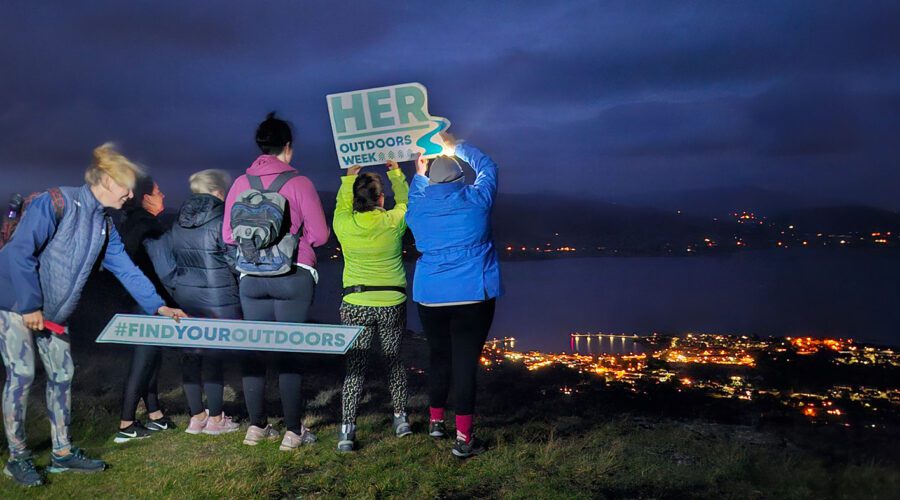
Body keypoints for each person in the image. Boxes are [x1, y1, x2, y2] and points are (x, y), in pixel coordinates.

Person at [0, 143, 186, 487]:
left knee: (61, 376)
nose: (131, 195)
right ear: (103, 179)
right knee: (22, 376)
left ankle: (62, 453)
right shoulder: (55, 203)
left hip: (54, 314)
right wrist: (29, 306)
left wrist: (158, 305)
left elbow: (126, 269)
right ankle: (17, 457)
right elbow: (19, 254)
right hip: (15, 307)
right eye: (125, 186)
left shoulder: (104, 224)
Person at [222, 112, 330, 451]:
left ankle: (257, 427)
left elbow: (228, 235)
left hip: (251, 277)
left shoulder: (240, 184)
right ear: (288, 147)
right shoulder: (299, 183)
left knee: (254, 351)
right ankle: (293, 432)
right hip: (292, 276)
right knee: (289, 353)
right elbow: (321, 235)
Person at [406, 132, 502, 459]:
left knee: (438, 355)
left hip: (430, 296)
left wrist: (420, 172)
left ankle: (435, 421)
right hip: (474, 295)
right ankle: (463, 439)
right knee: (465, 363)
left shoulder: (416, 210)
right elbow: (488, 166)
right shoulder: (477, 200)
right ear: (462, 179)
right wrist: (454, 146)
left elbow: (417, 189)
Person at [146, 169, 242, 437]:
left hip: (185, 297)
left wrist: (177, 289)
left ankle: (195, 417)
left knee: (190, 356)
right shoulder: (222, 218)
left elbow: (166, 263)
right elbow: (234, 261)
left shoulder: (178, 220)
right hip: (218, 299)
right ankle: (215, 419)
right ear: (219, 191)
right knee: (212, 358)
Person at [332, 160, 411, 452]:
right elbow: (406, 200)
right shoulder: (393, 221)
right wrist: (396, 172)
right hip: (391, 301)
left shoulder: (344, 224)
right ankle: (401, 418)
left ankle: (347, 430)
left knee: (355, 366)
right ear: (381, 198)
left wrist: (346, 179)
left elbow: (341, 205)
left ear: (355, 199)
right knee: (393, 360)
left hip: (355, 303)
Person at [115, 175, 178, 443]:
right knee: (143, 360)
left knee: (151, 358)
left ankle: (154, 414)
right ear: (145, 198)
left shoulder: (132, 223)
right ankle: (126, 423)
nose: (163, 195)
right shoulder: (147, 226)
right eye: (158, 191)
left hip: (138, 301)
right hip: (147, 302)